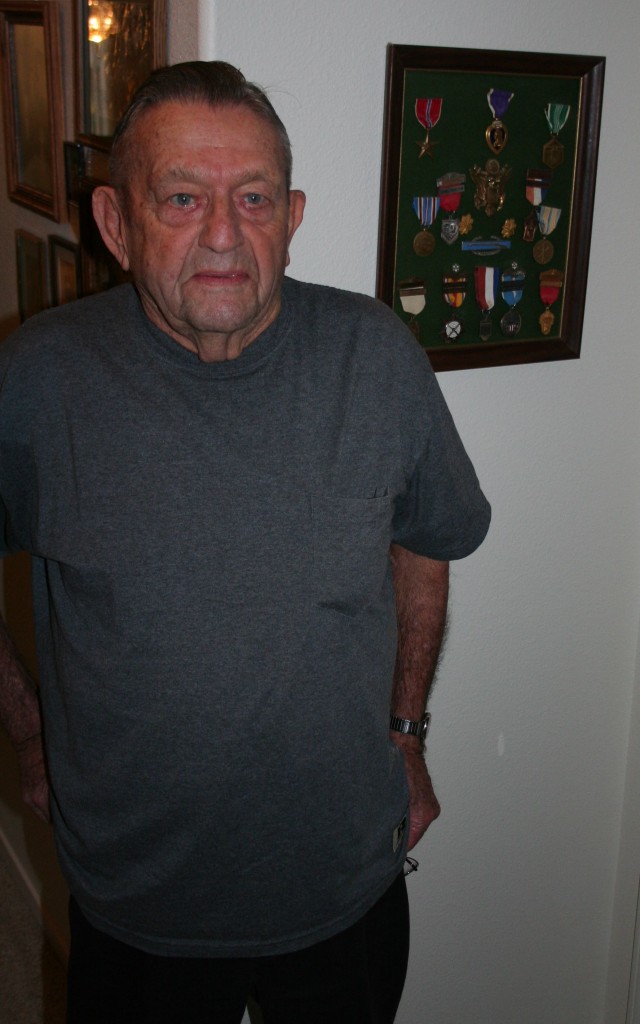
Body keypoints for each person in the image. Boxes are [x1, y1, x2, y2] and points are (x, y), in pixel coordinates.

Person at [0, 61, 490, 1023]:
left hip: (342, 889)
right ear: (115, 223)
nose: (223, 234)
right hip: (138, 909)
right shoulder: (38, 380)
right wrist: (28, 731)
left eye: (253, 198)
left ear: (293, 215)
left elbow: (427, 539)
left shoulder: (375, 354)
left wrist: (408, 729)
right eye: (181, 197)